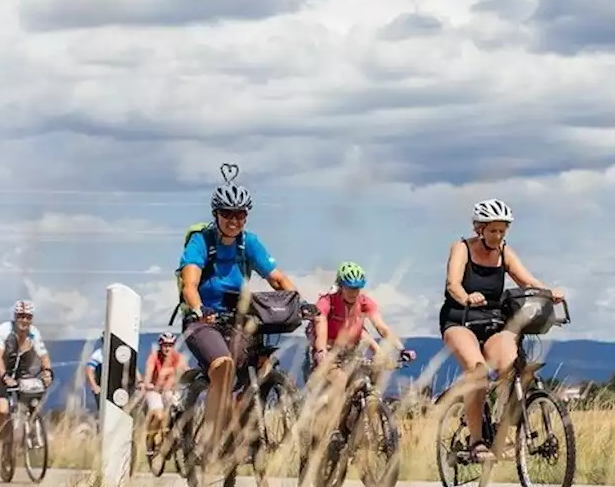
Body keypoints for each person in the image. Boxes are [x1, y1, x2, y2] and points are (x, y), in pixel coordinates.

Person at [176, 181, 311, 447]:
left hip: (236, 319)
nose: (234, 220)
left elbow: (277, 279)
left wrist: (300, 303)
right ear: (216, 214)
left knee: (263, 363)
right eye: (227, 213)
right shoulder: (201, 242)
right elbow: (190, 284)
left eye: (240, 214)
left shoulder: (249, 243)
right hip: (203, 322)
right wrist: (199, 309)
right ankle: (213, 443)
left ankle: (242, 420)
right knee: (223, 366)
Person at [439, 199, 563, 461]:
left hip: (493, 320)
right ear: (479, 229)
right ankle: (476, 442)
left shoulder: (505, 252)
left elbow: (527, 280)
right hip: (460, 318)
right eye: (493, 230)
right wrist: (466, 296)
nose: (498, 236)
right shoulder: (461, 248)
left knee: (513, 365)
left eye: (502, 231)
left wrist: (549, 294)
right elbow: (453, 284)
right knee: (478, 371)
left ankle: (500, 429)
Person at [305, 261, 414, 432]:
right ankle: (332, 431)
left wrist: (401, 349)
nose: (353, 293)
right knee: (340, 380)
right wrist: (321, 351)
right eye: (349, 288)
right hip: (329, 352)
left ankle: (356, 425)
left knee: (372, 378)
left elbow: (381, 327)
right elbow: (321, 324)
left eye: (357, 288)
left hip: (351, 352)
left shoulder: (363, 302)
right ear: (341, 286)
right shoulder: (328, 301)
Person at [0, 300, 54, 454]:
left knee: (33, 397)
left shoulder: (34, 332)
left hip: (22, 373)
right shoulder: (3, 331)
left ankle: (30, 431)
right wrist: (4, 377)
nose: (24, 320)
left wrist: (47, 372)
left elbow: (43, 356)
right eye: (20, 316)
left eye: (28, 317)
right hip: (0, 373)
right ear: (15, 316)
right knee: (3, 410)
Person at [142, 332, 186, 448]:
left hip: (170, 391)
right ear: (160, 345)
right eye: (165, 345)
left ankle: (175, 436)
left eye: (170, 345)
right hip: (155, 391)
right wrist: (147, 383)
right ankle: (150, 439)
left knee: (180, 410)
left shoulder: (178, 357)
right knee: (158, 416)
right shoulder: (154, 357)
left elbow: (185, 369)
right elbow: (148, 372)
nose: (167, 348)